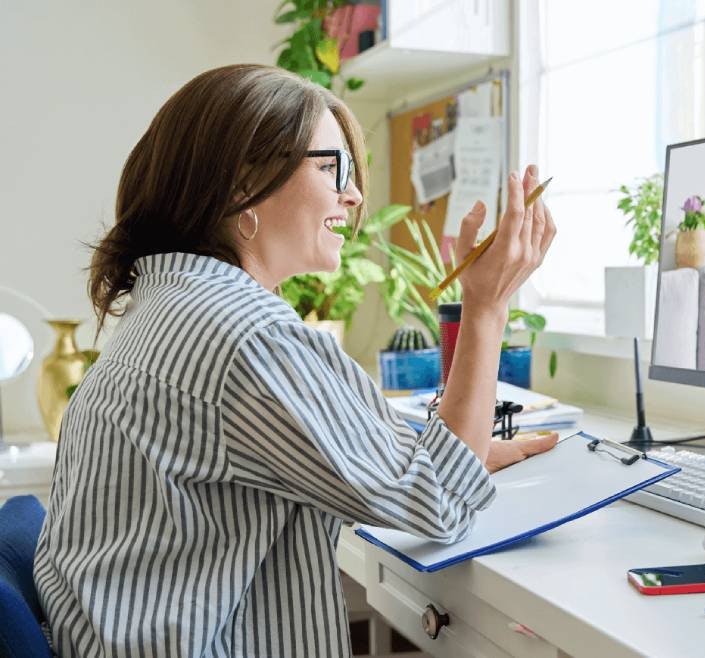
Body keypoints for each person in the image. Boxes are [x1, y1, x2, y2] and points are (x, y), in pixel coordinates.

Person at [33, 64, 557, 657]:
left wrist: (459, 453)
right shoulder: (247, 337)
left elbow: (394, 465)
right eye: (333, 167)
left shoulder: (171, 302)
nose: (354, 195)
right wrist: (485, 307)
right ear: (241, 184)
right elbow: (440, 505)